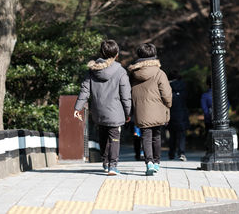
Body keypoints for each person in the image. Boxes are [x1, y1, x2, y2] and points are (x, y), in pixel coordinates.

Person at [74, 40, 131, 176]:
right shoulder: (121, 72)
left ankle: (105, 162)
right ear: (116, 54)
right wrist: (128, 112)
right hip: (115, 112)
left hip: (98, 111)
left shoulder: (92, 70)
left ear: (101, 53)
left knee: (103, 135)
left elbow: (85, 90)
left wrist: (78, 107)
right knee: (114, 137)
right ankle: (113, 165)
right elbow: (125, 95)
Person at [128, 43, 172, 176]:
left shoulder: (133, 74)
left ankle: (149, 162)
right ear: (154, 55)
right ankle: (157, 162)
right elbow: (167, 93)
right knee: (157, 136)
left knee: (145, 136)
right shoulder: (159, 73)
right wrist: (168, 105)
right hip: (158, 109)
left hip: (141, 110)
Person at [167, 70, 190, 161]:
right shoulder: (184, 86)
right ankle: (181, 153)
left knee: (172, 135)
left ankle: (171, 153)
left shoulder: (167, 87)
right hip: (182, 113)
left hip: (171, 114)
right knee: (181, 135)